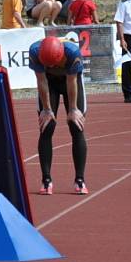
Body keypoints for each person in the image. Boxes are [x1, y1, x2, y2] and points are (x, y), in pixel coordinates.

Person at [28, 36, 89, 195]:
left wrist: (73, 109)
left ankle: (80, 180)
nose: (52, 66)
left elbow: (71, 81)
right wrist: (47, 109)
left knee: (76, 126)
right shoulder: (35, 51)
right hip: (49, 84)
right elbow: (41, 81)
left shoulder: (72, 53)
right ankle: (46, 180)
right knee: (47, 126)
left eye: (54, 64)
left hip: (70, 82)